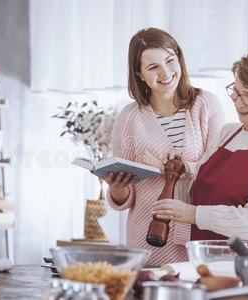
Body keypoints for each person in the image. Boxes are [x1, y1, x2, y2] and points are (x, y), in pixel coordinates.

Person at [151, 50, 248, 241]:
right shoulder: (228, 133)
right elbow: (203, 190)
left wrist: (192, 214)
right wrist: (185, 170)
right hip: (211, 256)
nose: (239, 103)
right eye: (236, 92)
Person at [103, 27, 225, 266]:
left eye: (170, 60)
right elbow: (125, 198)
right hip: (147, 238)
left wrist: (161, 166)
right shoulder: (129, 118)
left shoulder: (207, 105)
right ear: (139, 74)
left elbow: (218, 175)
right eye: (153, 67)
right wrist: (117, 189)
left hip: (197, 236)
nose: (166, 72)